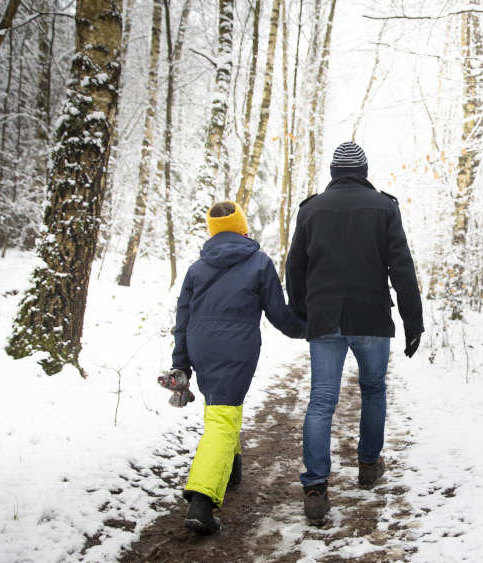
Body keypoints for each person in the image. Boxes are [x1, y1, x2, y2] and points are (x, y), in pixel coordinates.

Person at [286, 141, 423, 523]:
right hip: (371, 318)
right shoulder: (384, 207)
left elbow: (295, 267)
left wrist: (301, 312)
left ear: (333, 173)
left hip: (326, 319)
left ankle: (315, 487)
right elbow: (402, 267)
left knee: (321, 400)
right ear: (364, 172)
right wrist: (413, 322)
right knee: (373, 389)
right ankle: (368, 465)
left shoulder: (311, 209)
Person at [160, 200, 306, 534]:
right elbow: (279, 314)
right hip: (237, 348)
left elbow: (183, 319)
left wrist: (181, 363)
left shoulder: (197, 269)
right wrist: (308, 329)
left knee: (219, 407)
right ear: (242, 227)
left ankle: (231, 468)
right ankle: (201, 501)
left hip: (200, 346)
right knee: (223, 417)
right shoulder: (259, 262)